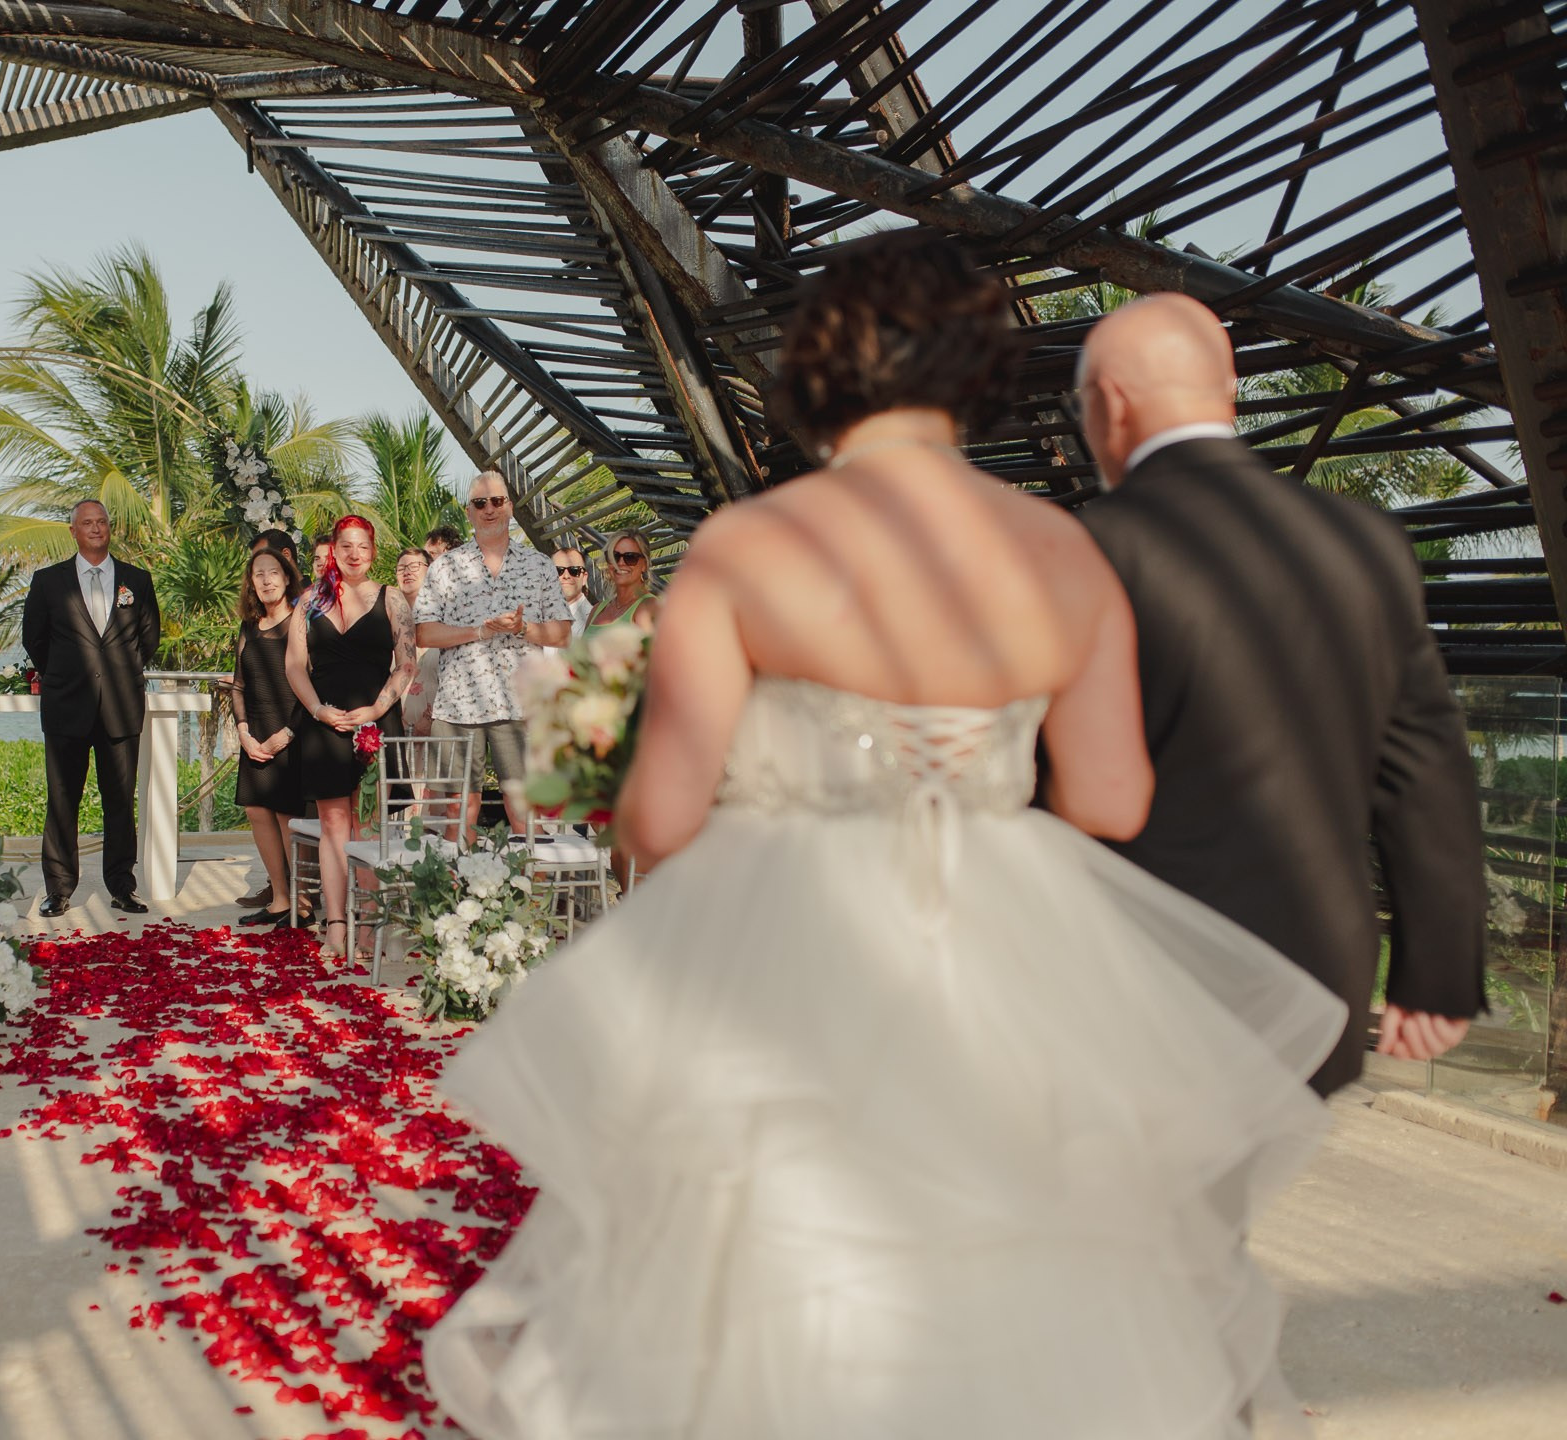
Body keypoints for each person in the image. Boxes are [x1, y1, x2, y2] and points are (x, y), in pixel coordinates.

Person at [422, 231, 1345, 1439]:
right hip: (1006, 966)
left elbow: (662, 815)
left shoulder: (752, 549)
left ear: (818, 371)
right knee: (1032, 1269)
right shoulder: (1064, 552)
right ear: (976, 368)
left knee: (775, 1286)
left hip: (789, 958)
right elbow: (1115, 802)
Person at [1073, 293, 1487, 1091]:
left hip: (1135, 973)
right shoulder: (1366, 542)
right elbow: (1425, 761)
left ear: (1111, 403)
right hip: (1315, 979)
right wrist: (1436, 971)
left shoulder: (1095, 547)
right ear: (1227, 394)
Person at [20, 500, 161, 917]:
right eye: (87, 523)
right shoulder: (49, 582)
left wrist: (119, 670)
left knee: (120, 801)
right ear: (73, 531)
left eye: (102, 521)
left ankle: (122, 886)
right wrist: (67, 675)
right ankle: (59, 889)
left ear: (109, 528)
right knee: (63, 801)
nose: (96, 528)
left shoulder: (137, 579)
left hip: (121, 707)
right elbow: (35, 639)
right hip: (67, 708)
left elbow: (148, 638)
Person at [411, 469, 571, 836]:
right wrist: (478, 631)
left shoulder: (539, 565)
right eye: (480, 503)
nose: (489, 509)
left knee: (524, 811)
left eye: (497, 501)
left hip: (520, 705)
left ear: (510, 507)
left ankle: (535, 894)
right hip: (458, 706)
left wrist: (523, 628)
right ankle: (458, 894)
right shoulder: (446, 567)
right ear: (468, 512)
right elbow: (424, 632)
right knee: (456, 810)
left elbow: (562, 633)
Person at [285, 515, 416, 960]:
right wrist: (318, 710)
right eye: (346, 545)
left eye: (363, 546)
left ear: (373, 552)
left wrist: (379, 709)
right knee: (334, 825)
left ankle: (369, 922)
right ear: (334, 551)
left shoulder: (392, 598)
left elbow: (406, 664)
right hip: (325, 724)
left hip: (376, 722)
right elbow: (294, 667)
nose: (354, 553)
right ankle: (337, 925)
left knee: (371, 827)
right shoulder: (310, 602)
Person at [232, 548, 306, 927]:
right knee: (257, 811)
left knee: (287, 816)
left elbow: (313, 682)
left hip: (294, 729)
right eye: (258, 574)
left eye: (273, 573)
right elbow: (239, 684)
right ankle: (279, 898)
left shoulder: (301, 621)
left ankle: (303, 901)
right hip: (256, 731)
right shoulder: (248, 626)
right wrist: (244, 732)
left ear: (288, 577)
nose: (266, 580)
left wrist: (288, 733)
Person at [395, 547, 441, 736]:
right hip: (395, 733)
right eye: (401, 568)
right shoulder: (388, 621)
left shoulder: (446, 617)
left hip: (439, 731)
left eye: (414, 566)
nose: (407, 571)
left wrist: (430, 719)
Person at [586, 529, 657, 632]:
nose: (621, 563)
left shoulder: (649, 607)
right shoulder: (597, 610)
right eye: (615, 556)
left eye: (630, 557)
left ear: (644, 565)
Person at [549, 544, 593, 645]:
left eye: (574, 571)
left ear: (584, 578)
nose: (566, 576)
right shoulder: (535, 616)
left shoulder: (595, 620)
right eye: (558, 570)